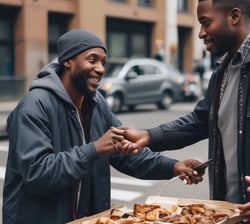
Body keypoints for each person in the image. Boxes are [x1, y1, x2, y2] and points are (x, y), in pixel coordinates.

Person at [112, 0, 250, 223]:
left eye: (206, 23)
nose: (200, 33)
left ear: (234, 16)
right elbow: (201, 119)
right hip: (234, 215)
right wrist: (148, 136)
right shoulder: (223, 69)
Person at [2, 29, 204, 224]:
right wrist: (94, 149)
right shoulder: (34, 106)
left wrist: (174, 167)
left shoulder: (97, 105)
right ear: (67, 61)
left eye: (103, 62)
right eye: (92, 60)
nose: (100, 68)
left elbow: (129, 155)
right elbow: (37, 174)